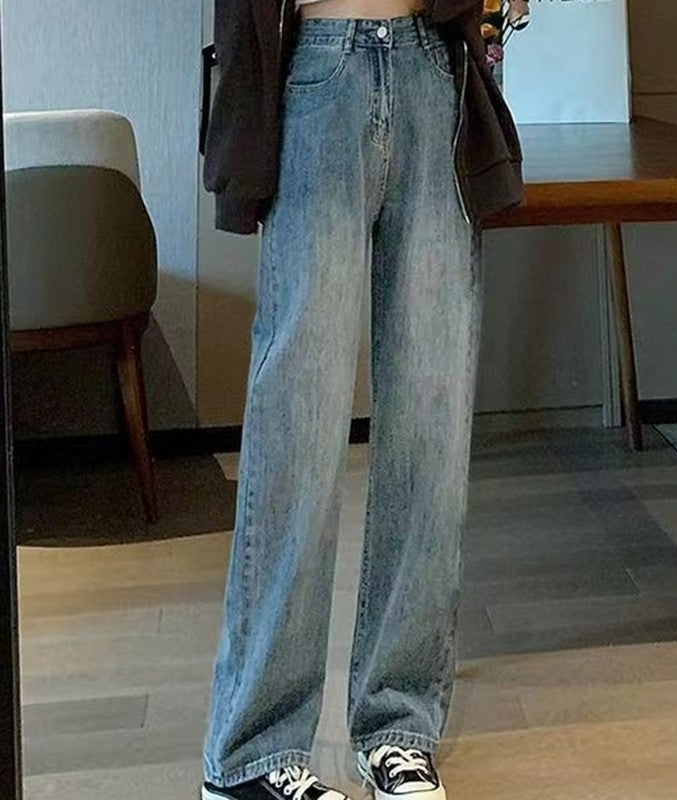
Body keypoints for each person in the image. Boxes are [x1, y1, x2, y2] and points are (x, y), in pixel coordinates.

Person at [199, 0, 523, 797]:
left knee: (430, 429)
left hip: (433, 65)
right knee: (298, 432)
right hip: (317, 64)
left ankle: (398, 725)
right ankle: (251, 756)